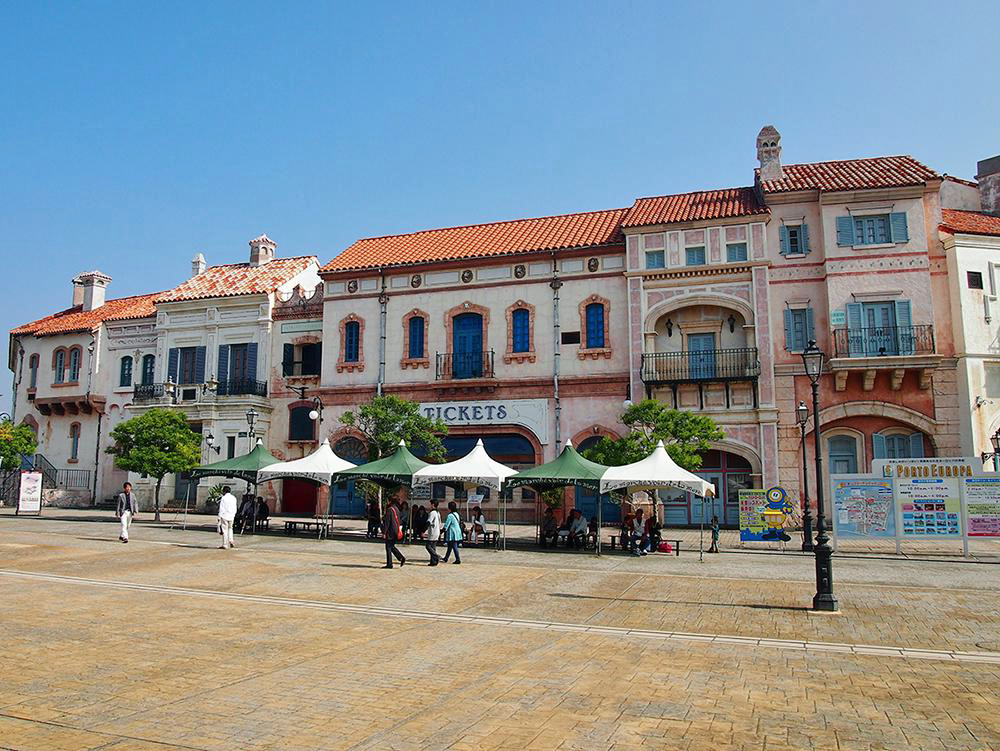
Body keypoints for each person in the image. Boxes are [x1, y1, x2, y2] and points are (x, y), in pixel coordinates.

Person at [382, 498, 406, 569]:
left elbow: (387, 522)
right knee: (391, 546)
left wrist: (384, 532)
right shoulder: (396, 509)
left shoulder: (389, 510)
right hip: (396, 530)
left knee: (388, 547)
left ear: (390, 502)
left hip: (390, 531)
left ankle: (390, 564)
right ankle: (401, 558)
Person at [218, 485, 238, 550]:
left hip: (225, 515)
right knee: (230, 529)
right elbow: (235, 507)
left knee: (225, 530)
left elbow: (222, 508)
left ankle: (225, 544)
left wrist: (219, 516)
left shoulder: (223, 498)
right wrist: (234, 514)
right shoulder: (233, 498)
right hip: (231, 515)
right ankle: (231, 540)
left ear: (224, 491)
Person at [425, 499, 442, 566]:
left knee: (428, 546)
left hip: (433, 532)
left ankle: (436, 556)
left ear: (433, 505)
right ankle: (433, 561)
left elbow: (428, 522)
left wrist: (423, 530)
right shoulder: (438, 513)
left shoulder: (432, 513)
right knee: (433, 547)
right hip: (437, 531)